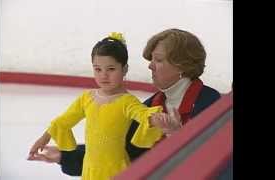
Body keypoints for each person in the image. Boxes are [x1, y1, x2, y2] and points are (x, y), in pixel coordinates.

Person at [27, 28, 221, 176]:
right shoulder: (148, 107)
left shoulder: (212, 105)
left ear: (183, 65)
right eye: (151, 59)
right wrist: (65, 156)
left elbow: (216, 163)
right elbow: (119, 156)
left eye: (158, 60)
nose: (150, 65)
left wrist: (178, 136)